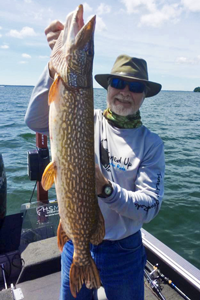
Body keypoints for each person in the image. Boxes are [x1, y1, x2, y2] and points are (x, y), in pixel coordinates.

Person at [25, 20, 165, 300]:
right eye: (117, 82)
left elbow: (149, 207)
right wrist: (52, 66)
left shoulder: (151, 144)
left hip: (123, 252)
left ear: (144, 95)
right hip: (75, 245)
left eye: (135, 87)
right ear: (107, 86)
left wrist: (106, 188)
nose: (125, 91)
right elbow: (35, 120)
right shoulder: (85, 118)